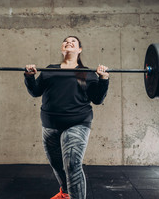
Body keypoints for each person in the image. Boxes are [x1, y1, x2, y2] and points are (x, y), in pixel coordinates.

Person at [24, 36, 109, 199]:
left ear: (79, 50)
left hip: (77, 123)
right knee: (57, 166)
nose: (69, 42)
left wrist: (103, 80)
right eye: (66, 41)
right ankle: (65, 194)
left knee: (72, 165)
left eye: (73, 41)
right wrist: (29, 77)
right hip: (50, 125)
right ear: (62, 48)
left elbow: (97, 99)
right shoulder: (50, 69)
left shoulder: (86, 73)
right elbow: (36, 91)